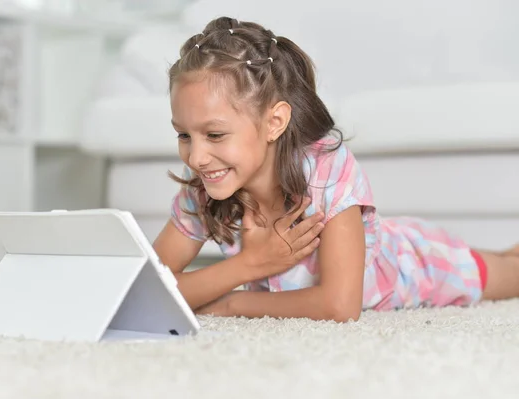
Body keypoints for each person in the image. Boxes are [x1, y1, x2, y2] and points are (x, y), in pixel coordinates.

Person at [151, 16, 519, 322]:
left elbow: (340, 306)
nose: (196, 157)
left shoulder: (326, 170)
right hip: (401, 244)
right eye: (183, 135)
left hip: (418, 267)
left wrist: (233, 302)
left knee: (508, 272)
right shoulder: (204, 185)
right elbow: (144, 287)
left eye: (214, 134)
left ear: (274, 122)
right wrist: (249, 265)